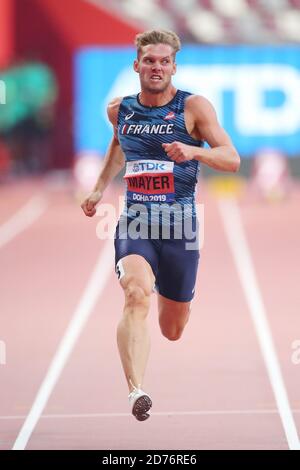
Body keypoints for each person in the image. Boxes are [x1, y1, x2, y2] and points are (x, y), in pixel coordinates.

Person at [81, 30, 240, 421]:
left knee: (173, 328)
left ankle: (176, 301)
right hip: (135, 222)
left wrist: (194, 151)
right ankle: (136, 390)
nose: (156, 67)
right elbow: (118, 147)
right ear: (137, 65)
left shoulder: (194, 108)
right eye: (149, 60)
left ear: (173, 66)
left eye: (163, 61)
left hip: (181, 228)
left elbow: (232, 158)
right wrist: (100, 188)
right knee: (135, 294)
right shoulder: (120, 110)